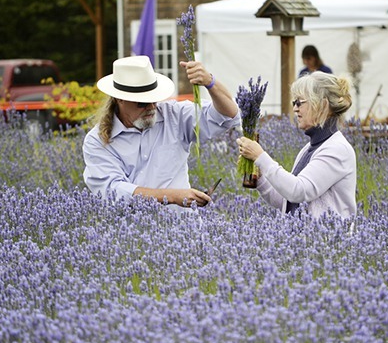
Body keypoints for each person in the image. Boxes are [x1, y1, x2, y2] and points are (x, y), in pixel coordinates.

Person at [82, 55, 240, 208]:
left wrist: (210, 83)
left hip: (183, 229)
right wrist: (172, 197)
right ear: (120, 99)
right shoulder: (97, 141)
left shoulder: (173, 115)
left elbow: (229, 116)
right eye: (142, 103)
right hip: (132, 232)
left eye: (154, 99)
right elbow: (113, 191)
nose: (151, 107)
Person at [236, 71, 356, 220]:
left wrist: (261, 157)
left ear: (322, 105)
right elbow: (287, 201)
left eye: (299, 102)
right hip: (303, 240)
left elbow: (299, 191)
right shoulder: (309, 149)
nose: (295, 109)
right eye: (294, 103)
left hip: (327, 241)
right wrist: (259, 177)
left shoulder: (337, 149)